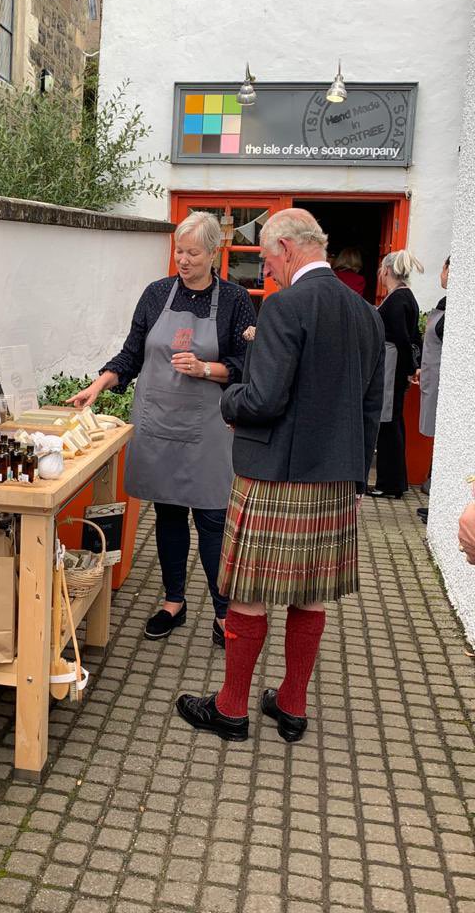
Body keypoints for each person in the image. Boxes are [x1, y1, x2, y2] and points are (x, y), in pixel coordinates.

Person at [175, 208, 384, 743]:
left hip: (274, 477)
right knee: (309, 594)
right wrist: (358, 480)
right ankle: (291, 708)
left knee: (249, 592)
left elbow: (263, 400)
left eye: (268, 259)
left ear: (288, 247)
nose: (267, 271)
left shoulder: (285, 308)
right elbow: (369, 410)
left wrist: (227, 399)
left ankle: (231, 710)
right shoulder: (366, 313)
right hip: (335, 481)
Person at [68, 211, 255, 646]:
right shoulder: (156, 295)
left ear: (214, 253)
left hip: (208, 428)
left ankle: (225, 611)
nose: (183, 260)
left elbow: (247, 367)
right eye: (178, 251)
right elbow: (131, 354)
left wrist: (207, 368)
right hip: (158, 424)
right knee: (169, 514)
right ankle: (173, 601)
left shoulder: (234, 300)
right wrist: (97, 385)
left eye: (192, 252)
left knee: (212, 519)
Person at [367, 250, 423, 499]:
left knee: (389, 424)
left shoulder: (398, 299)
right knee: (392, 423)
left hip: (392, 368)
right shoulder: (403, 297)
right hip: (395, 367)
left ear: (386, 270)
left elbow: (402, 337)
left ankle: (389, 484)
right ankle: (392, 482)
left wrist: (408, 369)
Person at [413, 256, 449, 524]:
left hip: (442, 383)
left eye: (444, 268)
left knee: (443, 436)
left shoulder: (456, 310)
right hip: (432, 378)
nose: (442, 274)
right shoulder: (443, 304)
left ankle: (438, 495)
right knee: (436, 434)